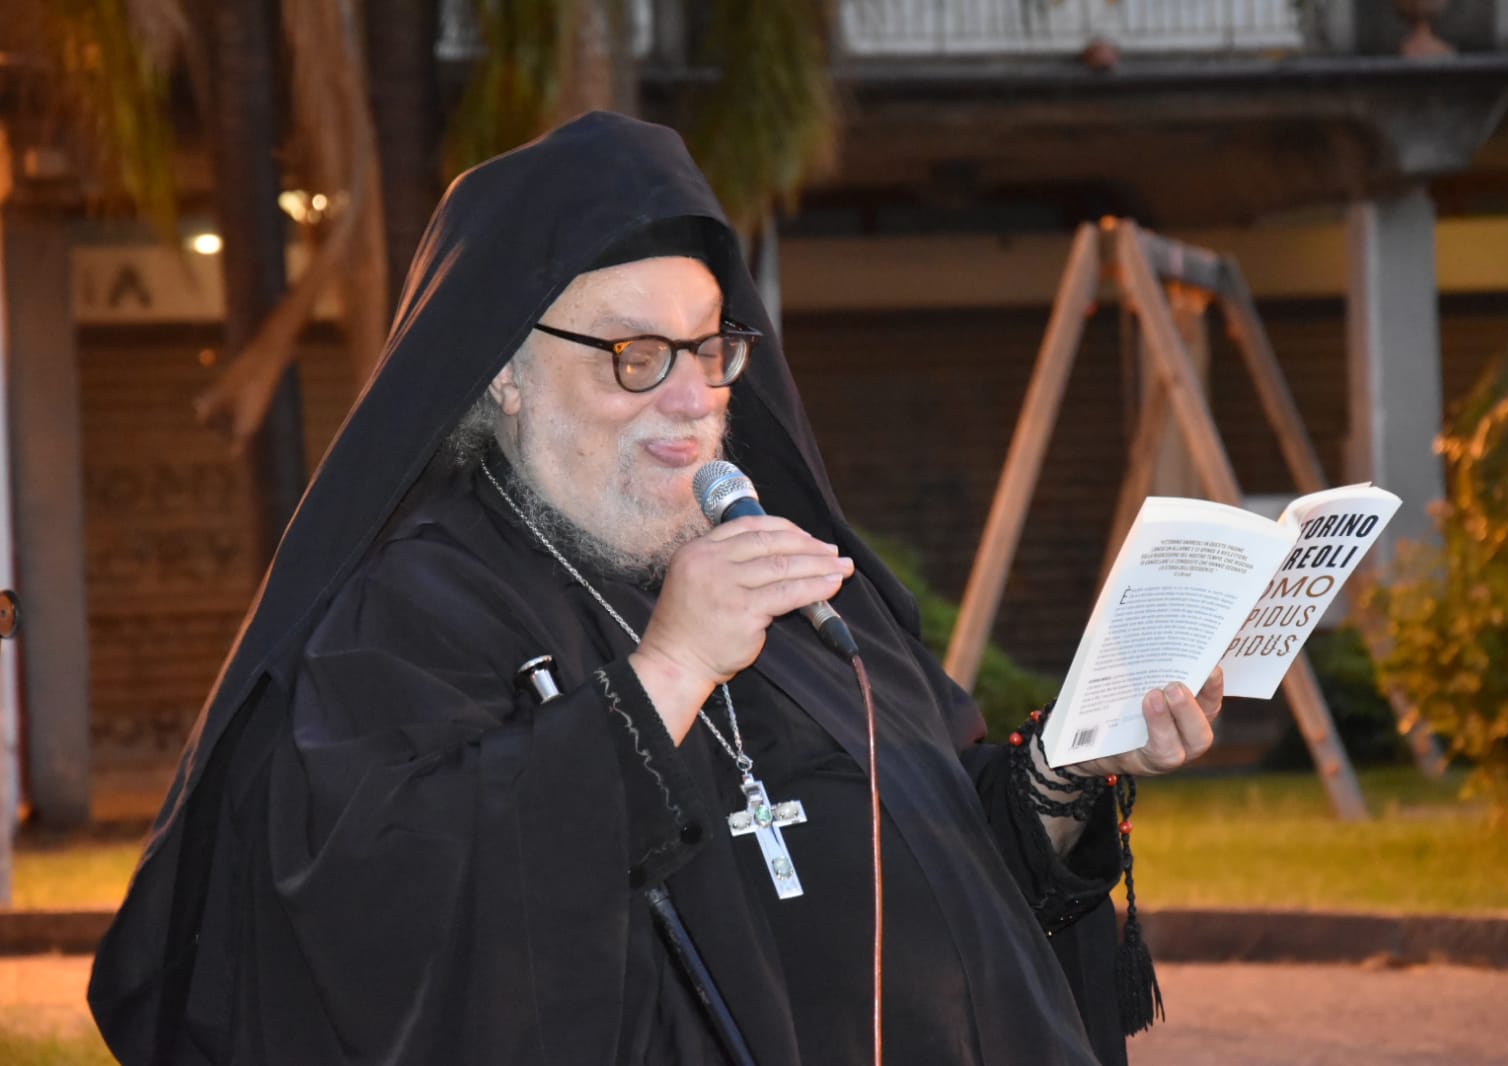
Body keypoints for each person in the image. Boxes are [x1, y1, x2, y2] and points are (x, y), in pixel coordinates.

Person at [89, 111, 1223, 1066]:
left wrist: (1073, 766)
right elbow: (385, 921)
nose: (692, 398)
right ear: (505, 373)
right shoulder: (411, 612)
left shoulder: (784, 573)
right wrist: (668, 671)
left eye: (709, 348)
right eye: (635, 357)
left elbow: (950, 861)